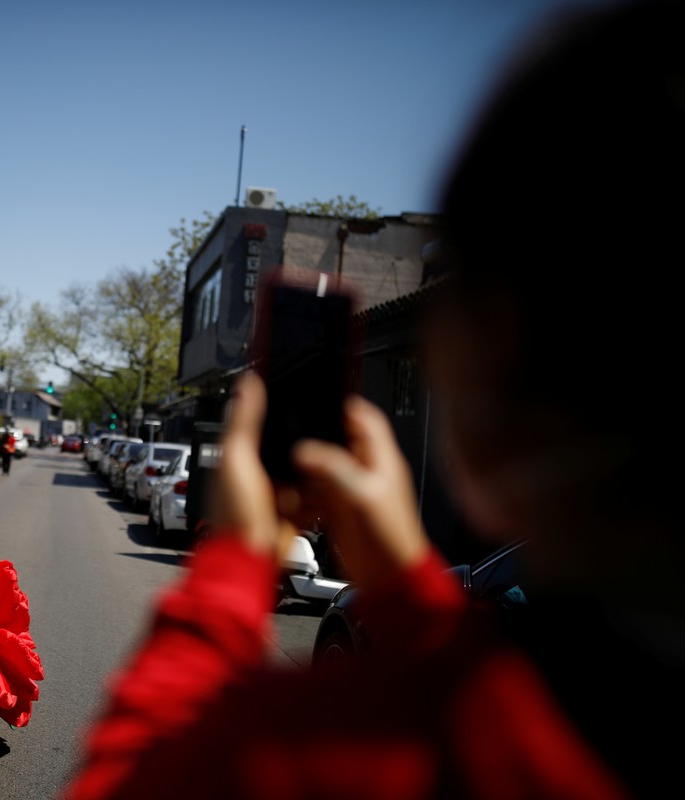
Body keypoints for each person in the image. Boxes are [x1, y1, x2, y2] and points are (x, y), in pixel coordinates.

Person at [60, 2, 682, 798]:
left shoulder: (326, 755)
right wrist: (404, 585)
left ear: (482, 372)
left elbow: (134, 774)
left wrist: (239, 557)